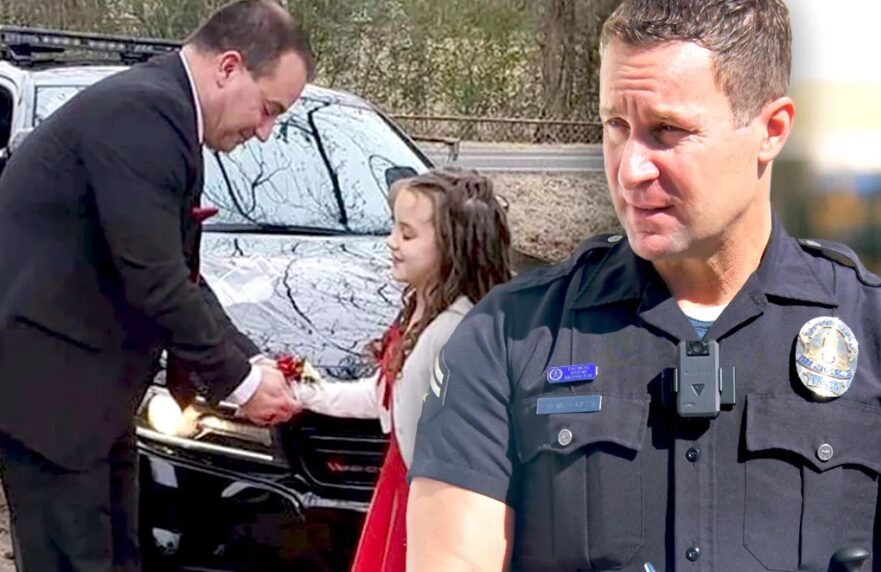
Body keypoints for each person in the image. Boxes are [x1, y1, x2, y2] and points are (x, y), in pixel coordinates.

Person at [406, 1, 881, 571]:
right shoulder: (508, 337)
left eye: (667, 131)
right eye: (616, 125)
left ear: (771, 129)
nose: (630, 167)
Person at [0, 1, 311, 570]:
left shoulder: (163, 116)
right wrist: (240, 382)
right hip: (52, 396)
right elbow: (154, 278)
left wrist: (253, 356)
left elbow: (180, 273)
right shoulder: (142, 115)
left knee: (119, 557)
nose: (265, 132)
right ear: (229, 67)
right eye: (268, 109)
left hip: (91, 396)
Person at [292, 167, 512, 571]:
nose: (392, 243)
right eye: (395, 229)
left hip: (429, 504)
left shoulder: (451, 335)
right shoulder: (421, 312)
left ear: (453, 246)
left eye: (407, 235)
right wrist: (305, 393)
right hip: (401, 490)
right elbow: (385, 398)